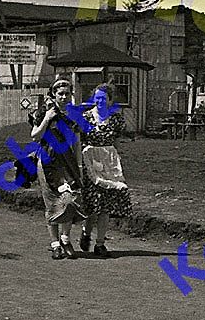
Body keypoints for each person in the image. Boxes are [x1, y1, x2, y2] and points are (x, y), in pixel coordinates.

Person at [30, 79, 87, 260]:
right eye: (60, 93)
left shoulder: (74, 115)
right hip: (48, 161)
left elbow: (77, 143)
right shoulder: (43, 113)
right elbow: (34, 136)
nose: (63, 97)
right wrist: (47, 117)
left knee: (70, 201)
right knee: (52, 202)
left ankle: (65, 238)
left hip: (68, 163)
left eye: (66, 93)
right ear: (53, 94)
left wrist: (79, 167)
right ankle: (55, 244)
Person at [79, 84, 134, 258]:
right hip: (90, 161)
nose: (100, 101)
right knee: (92, 205)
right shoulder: (86, 117)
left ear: (110, 100)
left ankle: (100, 243)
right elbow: (79, 142)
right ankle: (86, 233)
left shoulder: (116, 119)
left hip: (109, 162)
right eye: (97, 98)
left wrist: (116, 164)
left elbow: (116, 143)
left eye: (103, 98)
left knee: (106, 206)